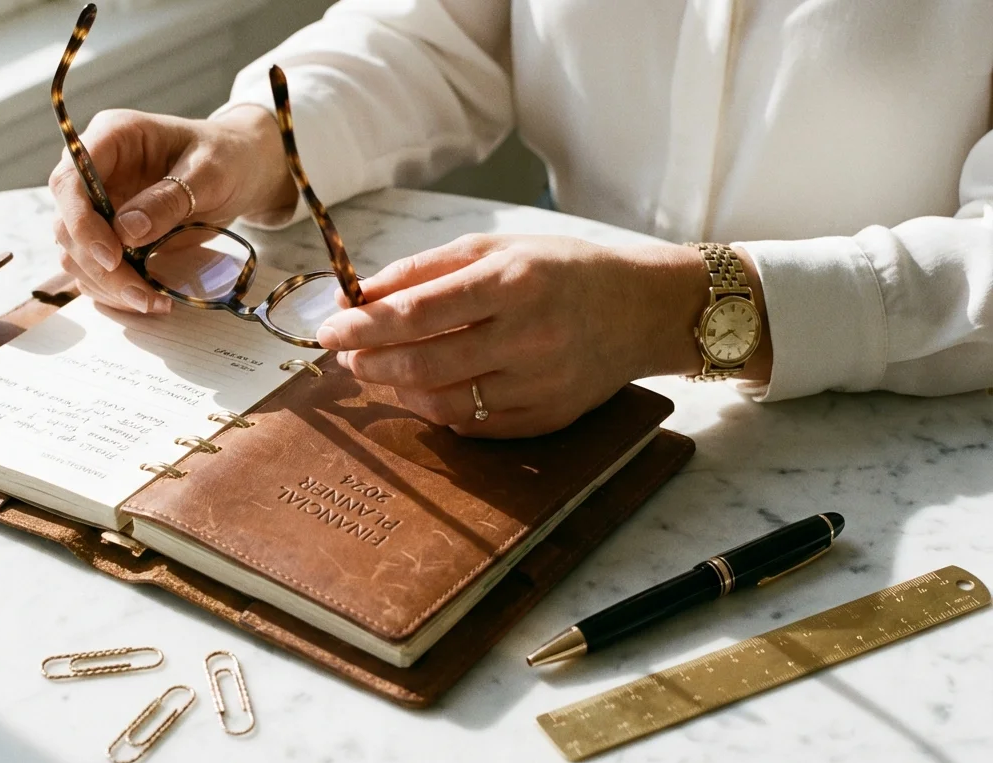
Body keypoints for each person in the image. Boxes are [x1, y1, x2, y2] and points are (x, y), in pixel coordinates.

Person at [49, 0, 993, 438]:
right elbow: (444, 31)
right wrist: (256, 141)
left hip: (915, 442)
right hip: (543, 386)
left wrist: (673, 313)